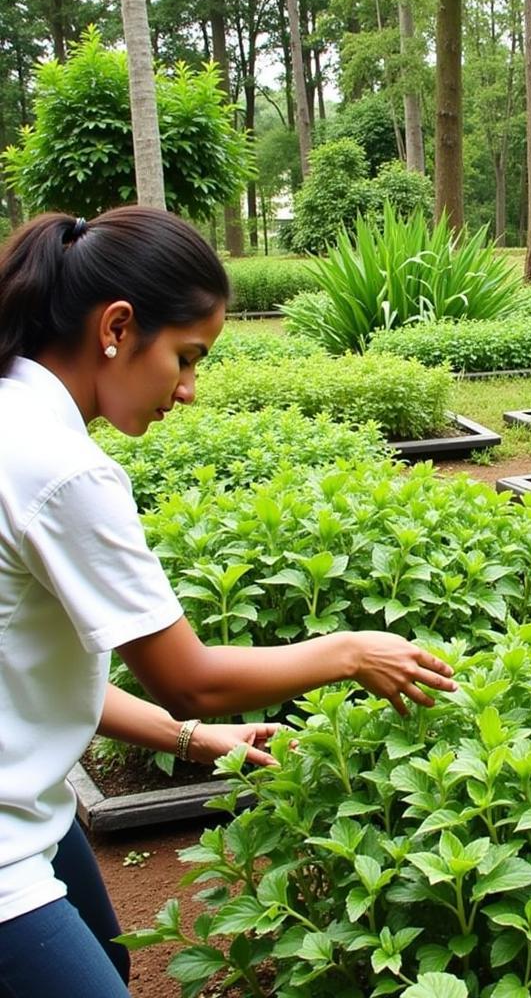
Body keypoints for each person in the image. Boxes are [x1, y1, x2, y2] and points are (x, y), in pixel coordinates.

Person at [0, 207, 458, 998]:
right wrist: (350, 650)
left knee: (106, 960)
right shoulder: (61, 469)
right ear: (116, 326)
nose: (189, 391)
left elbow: (32, 674)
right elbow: (191, 676)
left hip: (26, 800)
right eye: (186, 357)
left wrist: (192, 740)